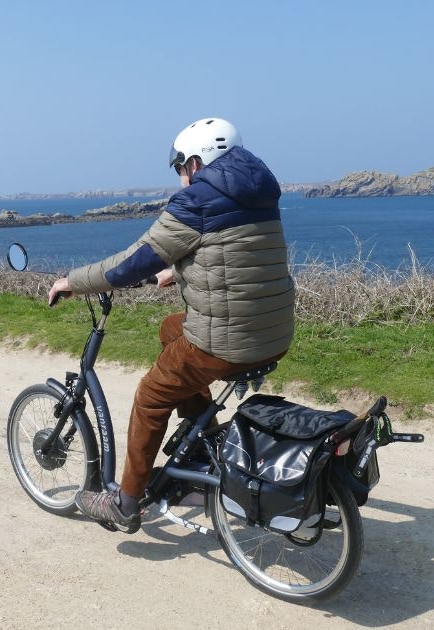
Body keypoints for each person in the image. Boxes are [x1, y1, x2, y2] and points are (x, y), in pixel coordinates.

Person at [48, 117, 295, 533]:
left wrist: (72, 282)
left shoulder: (198, 200)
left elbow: (129, 264)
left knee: (151, 396)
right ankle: (201, 452)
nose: (181, 176)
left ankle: (126, 503)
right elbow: (234, 258)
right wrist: (179, 271)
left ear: (196, 163)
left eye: (180, 166)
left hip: (225, 342)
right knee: (170, 329)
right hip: (273, 334)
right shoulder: (257, 193)